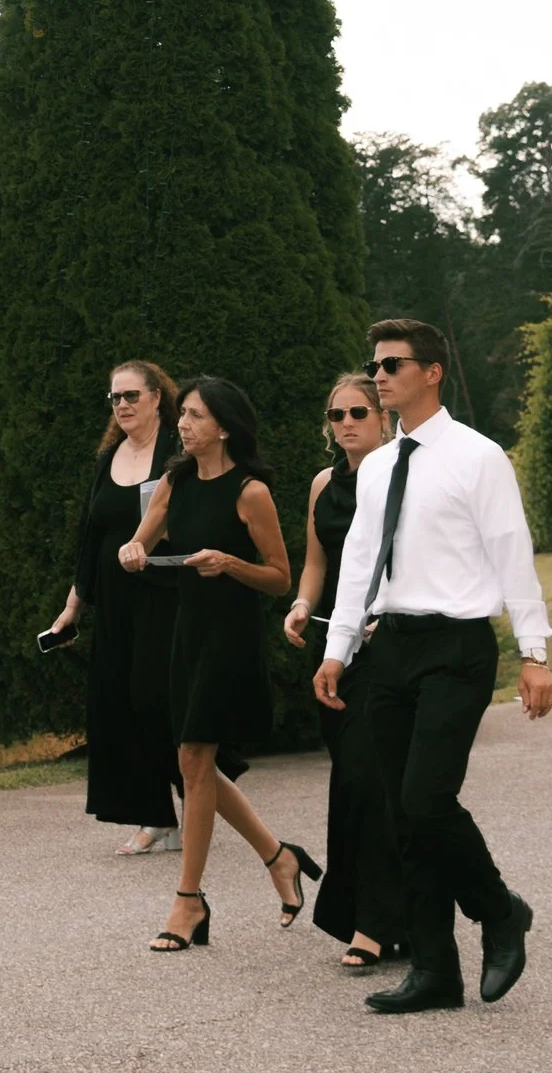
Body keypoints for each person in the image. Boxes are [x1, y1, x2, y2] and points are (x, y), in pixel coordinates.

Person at [315, 315, 552, 1015]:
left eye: (393, 364)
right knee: (403, 812)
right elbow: (361, 559)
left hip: (456, 647)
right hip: (390, 643)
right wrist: (338, 651)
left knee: (426, 798)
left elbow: (514, 553)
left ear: (432, 372)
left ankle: (498, 909)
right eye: (377, 364)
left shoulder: (479, 456)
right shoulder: (380, 466)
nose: (380, 374)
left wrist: (534, 653)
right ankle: (434, 970)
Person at [121, 376, 314, 952]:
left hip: (230, 637)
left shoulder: (250, 491)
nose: (183, 424)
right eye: (182, 415)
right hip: (186, 634)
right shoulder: (175, 482)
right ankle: (281, 858)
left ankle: (188, 902)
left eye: (196, 416)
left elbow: (280, 577)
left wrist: (230, 562)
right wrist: (132, 552)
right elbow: (139, 543)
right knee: (194, 762)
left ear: (224, 426)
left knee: (193, 757)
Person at [284, 374, 404, 972]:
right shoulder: (323, 485)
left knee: (369, 779)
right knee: (352, 781)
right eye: (336, 414)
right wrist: (302, 605)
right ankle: (390, 913)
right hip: (333, 645)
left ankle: (374, 922)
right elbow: (315, 562)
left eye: (359, 411)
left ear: (384, 416)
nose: (347, 422)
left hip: (388, 644)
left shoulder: (405, 477)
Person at [41, 360, 180, 853]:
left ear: (157, 397)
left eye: (131, 396)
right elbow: (90, 537)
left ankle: (200, 792)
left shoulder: (177, 453)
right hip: (115, 604)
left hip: (166, 599)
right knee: (119, 706)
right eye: (115, 398)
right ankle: (155, 817)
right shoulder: (109, 457)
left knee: (156, 702)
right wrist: (72, 607)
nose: (121, 405)